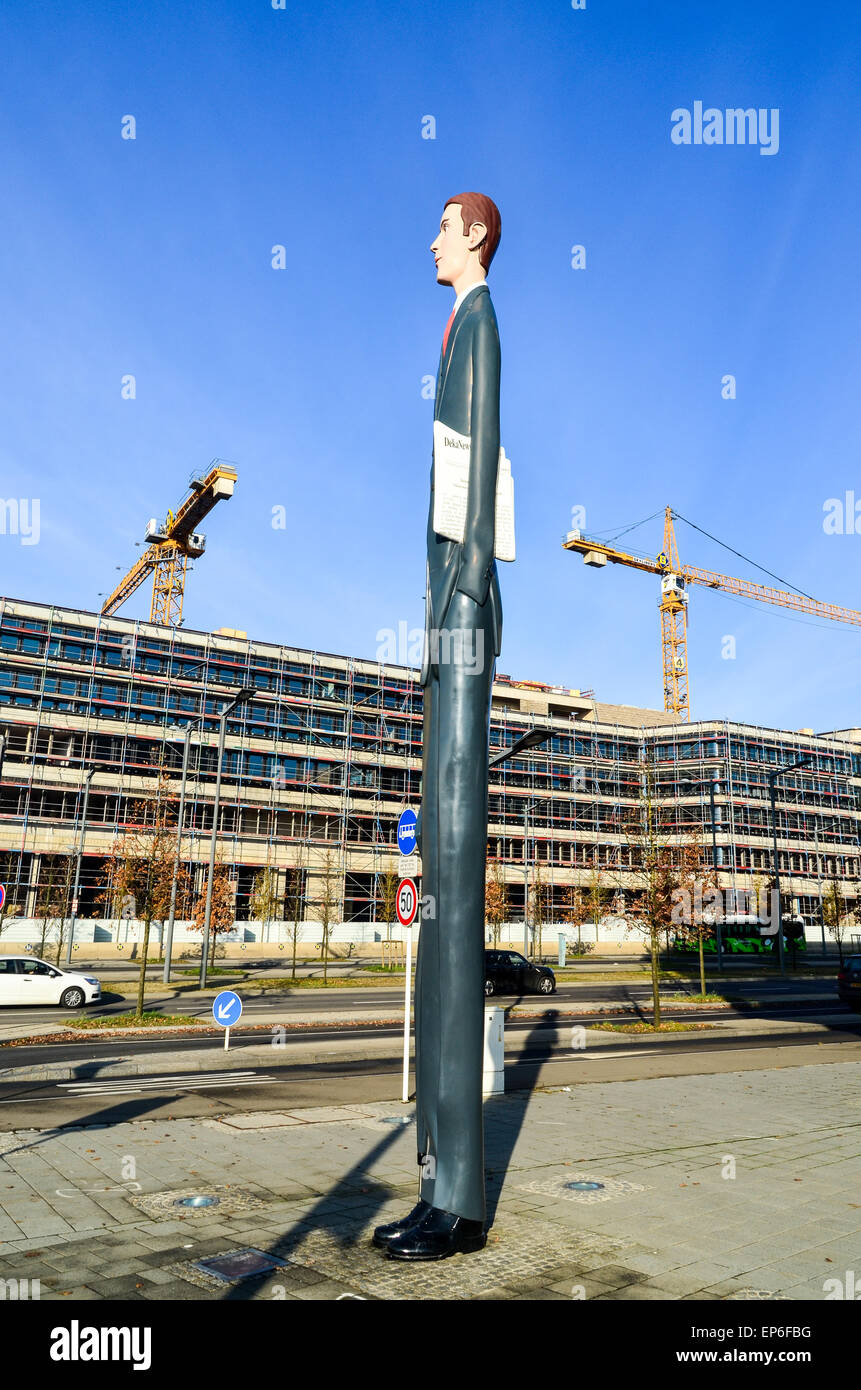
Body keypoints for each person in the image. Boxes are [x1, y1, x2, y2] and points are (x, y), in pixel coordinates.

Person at [374, 193, 503, 1262]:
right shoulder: (457, 325)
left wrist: (461, 595)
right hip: (441, 616)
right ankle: (436, 1180)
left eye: (443, 225)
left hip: (458, 615)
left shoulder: (483, 321)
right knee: (437, 917)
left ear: (475, 239)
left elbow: (483, 451)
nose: (430, 238)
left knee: (453, 900)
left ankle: (458, 1199)